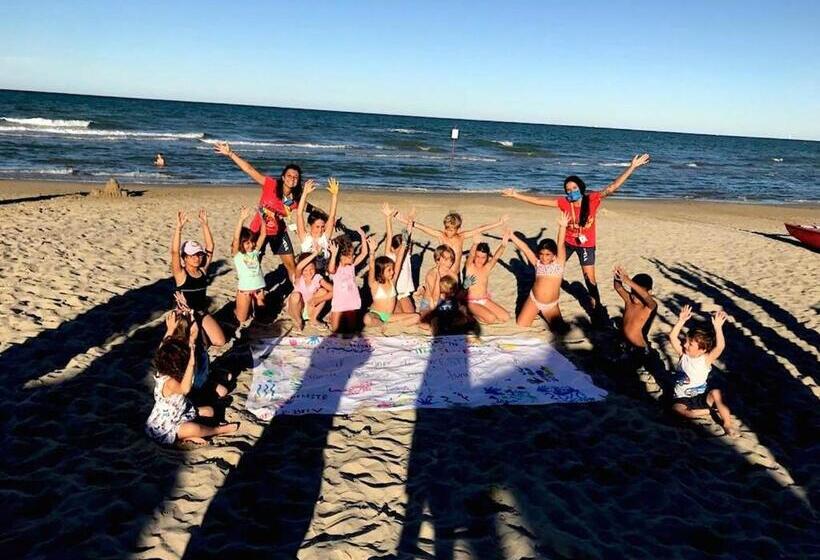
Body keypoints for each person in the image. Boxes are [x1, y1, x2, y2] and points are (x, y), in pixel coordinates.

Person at [502, 154, 651, 320]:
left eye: (574, 188)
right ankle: (539, 300)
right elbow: (539, 200)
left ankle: (597, 310)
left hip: (586, 245)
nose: (571, 192)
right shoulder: (565, 203)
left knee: (589, 279)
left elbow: (612, 187)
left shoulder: (592, 199)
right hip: (567, 242)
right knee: (548, 267)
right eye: (568, 190)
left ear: (580, 187)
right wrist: (516, 195)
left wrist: (632, 167)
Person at [214, 141, 312, 279]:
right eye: (289, 176)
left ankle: (297, 289)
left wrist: (329, 217)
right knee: (253, 264)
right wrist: (230, 154)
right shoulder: (271, 185)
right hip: (258, 229)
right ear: (283, 178)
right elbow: (250, 170)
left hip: (278, 232)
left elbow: (310, 208)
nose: (292, 179)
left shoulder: (293, 200)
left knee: (291, 266)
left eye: (296, 177)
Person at [145, 313, 238, 446]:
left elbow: (162, 349)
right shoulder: (170, 382)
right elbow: (185, 389)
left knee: (209, 411)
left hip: (181, 411)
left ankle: (186, 437)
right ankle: (218, 430)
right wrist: (191, 363)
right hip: (166, 427)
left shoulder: (162, 371)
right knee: (194, 428)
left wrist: (171, 330)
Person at [668, 305, 739, 438]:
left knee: (716, 392)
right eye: (686, 341)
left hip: (701, 397)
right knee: (677, 410)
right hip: (681, 399)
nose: (685, 345)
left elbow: (720, 346)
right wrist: (681, 321)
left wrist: (718, 328)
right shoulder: (683, 355)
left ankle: (727, 424)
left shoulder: (706, 359)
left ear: (702, 350)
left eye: (690, 344)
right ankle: (708, 411)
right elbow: (672, 337)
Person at [171, 209, 226, 347]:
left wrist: (205, 224)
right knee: (190, 344)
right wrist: (178, 229)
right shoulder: (181, 274)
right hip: (184, 316)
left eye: (199, 254)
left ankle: (201, 333)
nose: (196, 258)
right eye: (192, 255)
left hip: (201, 312)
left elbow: (210, 247)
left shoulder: (202, 270)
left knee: (220, 341)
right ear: (185, 258)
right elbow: (174, 252)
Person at [508, 213, 570, 331]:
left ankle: (543, 313)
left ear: (554, 255)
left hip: (550, 305)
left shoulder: (559, 263)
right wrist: (511, 236)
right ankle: (533, 310)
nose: (544, 257)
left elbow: (561, 243)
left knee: (561, 331)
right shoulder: (538, 263)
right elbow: (525, 249)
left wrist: (562, 227)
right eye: (541, 254)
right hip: (534, 300)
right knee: (521, 324)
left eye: (547, 254)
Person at [397, 211, 508, 273]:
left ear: (458, 229)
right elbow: (423, 227)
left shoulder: (461, 236)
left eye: (451, 230)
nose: (447, 231)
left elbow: (479, 229)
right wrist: (406, 221)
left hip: (456, 274)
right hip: (442, 273)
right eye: (446, 228)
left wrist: (498, 223)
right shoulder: (441, 236)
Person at [364, 229, 420, 329]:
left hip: (389, 317)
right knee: (367, 319)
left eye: (392, 269)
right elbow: (372, 267)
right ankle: (383, 324)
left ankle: (389, 325)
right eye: (389, 270)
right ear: (381, 272)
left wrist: (404, 244)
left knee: (416, 317)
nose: (393, 272)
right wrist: (372, 251)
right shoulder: (374, 284)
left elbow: (399, 261)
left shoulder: (392, 281)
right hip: (377, 314)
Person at [463, 230, 512, 324]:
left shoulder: (487, 268)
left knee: (506, 317)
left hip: (484, 299)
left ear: (487, 257)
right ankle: (470, 314)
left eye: (483, 257)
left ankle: (480, 312)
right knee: (491, 318)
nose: (480, 260)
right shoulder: (470, 267)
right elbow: (471, 255)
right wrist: (475, 244)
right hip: (471, 302)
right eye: (478, 256)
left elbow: (496, 257)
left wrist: (503, 244)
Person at [613, 265, 658, 365]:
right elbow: (618, 287)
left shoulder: (649, 306)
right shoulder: (629, 300)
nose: (634, 295)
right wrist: (617, 277)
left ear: (649, 292)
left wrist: (628, 281)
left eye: (637, 292)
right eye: (632, 291)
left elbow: (646, 296)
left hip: (640, 348)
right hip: (624, 343)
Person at [327, 229, 369, 333]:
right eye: (351, 255)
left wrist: (363, 237)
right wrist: (333, 254)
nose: (354, 256)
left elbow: (364, 253)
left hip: (351, 301)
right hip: (339, 303)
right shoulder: (336, 268)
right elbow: (331, 270)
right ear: (342, 256)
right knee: (335, 330)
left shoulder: (352, 265)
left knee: (351, 329)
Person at [231, 207, 267, 323]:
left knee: (261, 317)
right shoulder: (238, 255)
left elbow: (263, 235)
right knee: (242, 319)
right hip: (245, 291)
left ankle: (252, 307)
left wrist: (262, 218)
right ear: (241, 244)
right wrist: (241, 219)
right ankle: (236, 310)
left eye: (252, 242)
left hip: (259, 290)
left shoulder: (255, 252)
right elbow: (236, 238)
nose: (251, 245)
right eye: (247, 243)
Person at [296, 177, 340, 274]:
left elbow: (332, 216)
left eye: (322, 226)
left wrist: (334, 195)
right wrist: (305, 193)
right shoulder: (305, 238)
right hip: (306, 275)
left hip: (321, 275)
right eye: (317, 227)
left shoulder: (325, 237)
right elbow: (299, 214)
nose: (320, 230)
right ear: (310, 226)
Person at [288, 250, 333, 332]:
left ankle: (313, 319)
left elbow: (333, 291)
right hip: (296, 309)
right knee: (295, 295)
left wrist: (319, 299)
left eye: (311, 269)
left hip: (310, 308)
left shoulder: (317, 278)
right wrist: (315, 254)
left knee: (323, 291)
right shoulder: (298, 277)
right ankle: (298, 321)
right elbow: (299, 267)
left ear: (315, 267)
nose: (308, 272)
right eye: (305, 270)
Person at [383, 203, 417, 313]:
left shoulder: (406, 255)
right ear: (392, 248)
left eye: (404, 248)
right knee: (397, 314)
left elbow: (408, 236)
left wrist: (410, 221)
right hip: (392, 293)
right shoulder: (390, 256)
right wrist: (388, 218)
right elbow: (389, 235)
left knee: (411, 314)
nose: (402, 251)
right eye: (399, 249)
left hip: (404, 293)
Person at [417, 244, 459, 319]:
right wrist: (438, 278)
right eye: (446, 259)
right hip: (429, 303)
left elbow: (454, 295)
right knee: (425, 320)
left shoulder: (453, 275)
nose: (450, 262)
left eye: (451, 259)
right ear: (438, 260)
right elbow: (434, 298)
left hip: (445, 303)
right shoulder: (431, 274)